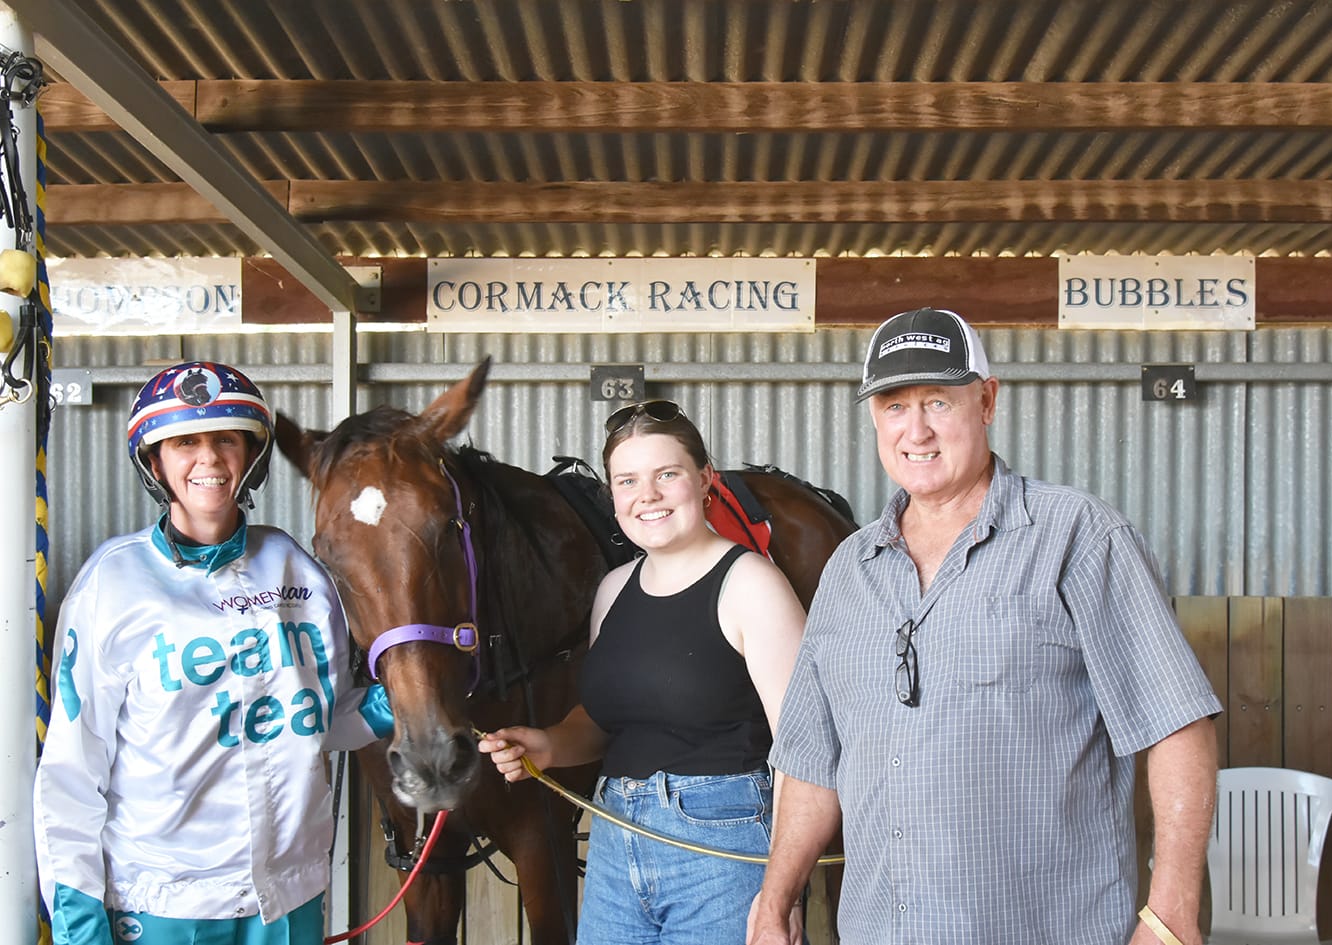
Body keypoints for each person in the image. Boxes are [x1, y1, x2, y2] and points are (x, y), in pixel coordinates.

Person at [747, 308, 1222, 945]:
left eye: (938, 401)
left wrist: (1170, 917)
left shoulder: (1078, 537)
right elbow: (811, 762)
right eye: (893, 405)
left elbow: (1176, 724)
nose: (915, 429)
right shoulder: (848, 571)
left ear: (987, 401)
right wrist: (776, 900)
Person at [35, 361, 393, 945]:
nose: (208, 459)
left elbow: (320, 722)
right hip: (162, 902)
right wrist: (79, 924)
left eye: (226, 438)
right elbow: (72, 772)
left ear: (251, 454)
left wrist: (400, 700)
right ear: (155, 461)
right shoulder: (112, 583)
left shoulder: (295, 567)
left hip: (288, 896)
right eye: (184, 442)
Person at [478, 399, 807, 945]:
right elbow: (608, 721)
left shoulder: (752, 586)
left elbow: (804, 754)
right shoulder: (613, 590)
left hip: (723, 847)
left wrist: (784, 893)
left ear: (705, 480)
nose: (646, 495)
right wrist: (549, 745)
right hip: (615, 835)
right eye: (627, 480)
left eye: (667, 474)